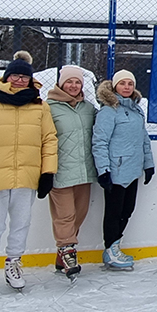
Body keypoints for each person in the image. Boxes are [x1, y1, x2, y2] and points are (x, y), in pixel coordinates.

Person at [0, 51, 57, 297]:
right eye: (15, 76)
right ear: (6, 77)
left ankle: (13, 263)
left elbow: (49, 140)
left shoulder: (40, 108)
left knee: (21, 224)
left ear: (30, 80)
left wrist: (47, 172)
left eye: (24, 77)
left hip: (27, 176)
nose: (19, 80)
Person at [92, 70, 155, 270]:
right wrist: (103, 170)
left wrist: (148, 164)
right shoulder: (108, 111)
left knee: (127, 210)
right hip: (116, 172)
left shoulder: (136, 111)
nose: (126, 87)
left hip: (133, 170)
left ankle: (115, 246)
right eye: (122, 83)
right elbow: (99, 142)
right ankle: (110, 250)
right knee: (114, 212)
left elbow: (143, 139)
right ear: (115, 86)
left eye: (130, 83)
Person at [46, 65, 97, 277]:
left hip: (84, 171)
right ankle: (68, 250)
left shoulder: (88, 108)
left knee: (79, 214)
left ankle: (63, 253)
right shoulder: (48, 107)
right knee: (65, 215)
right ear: (61, 84)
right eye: (69, 81)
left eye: (77, 82)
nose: (74, 86)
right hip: (60, 171)